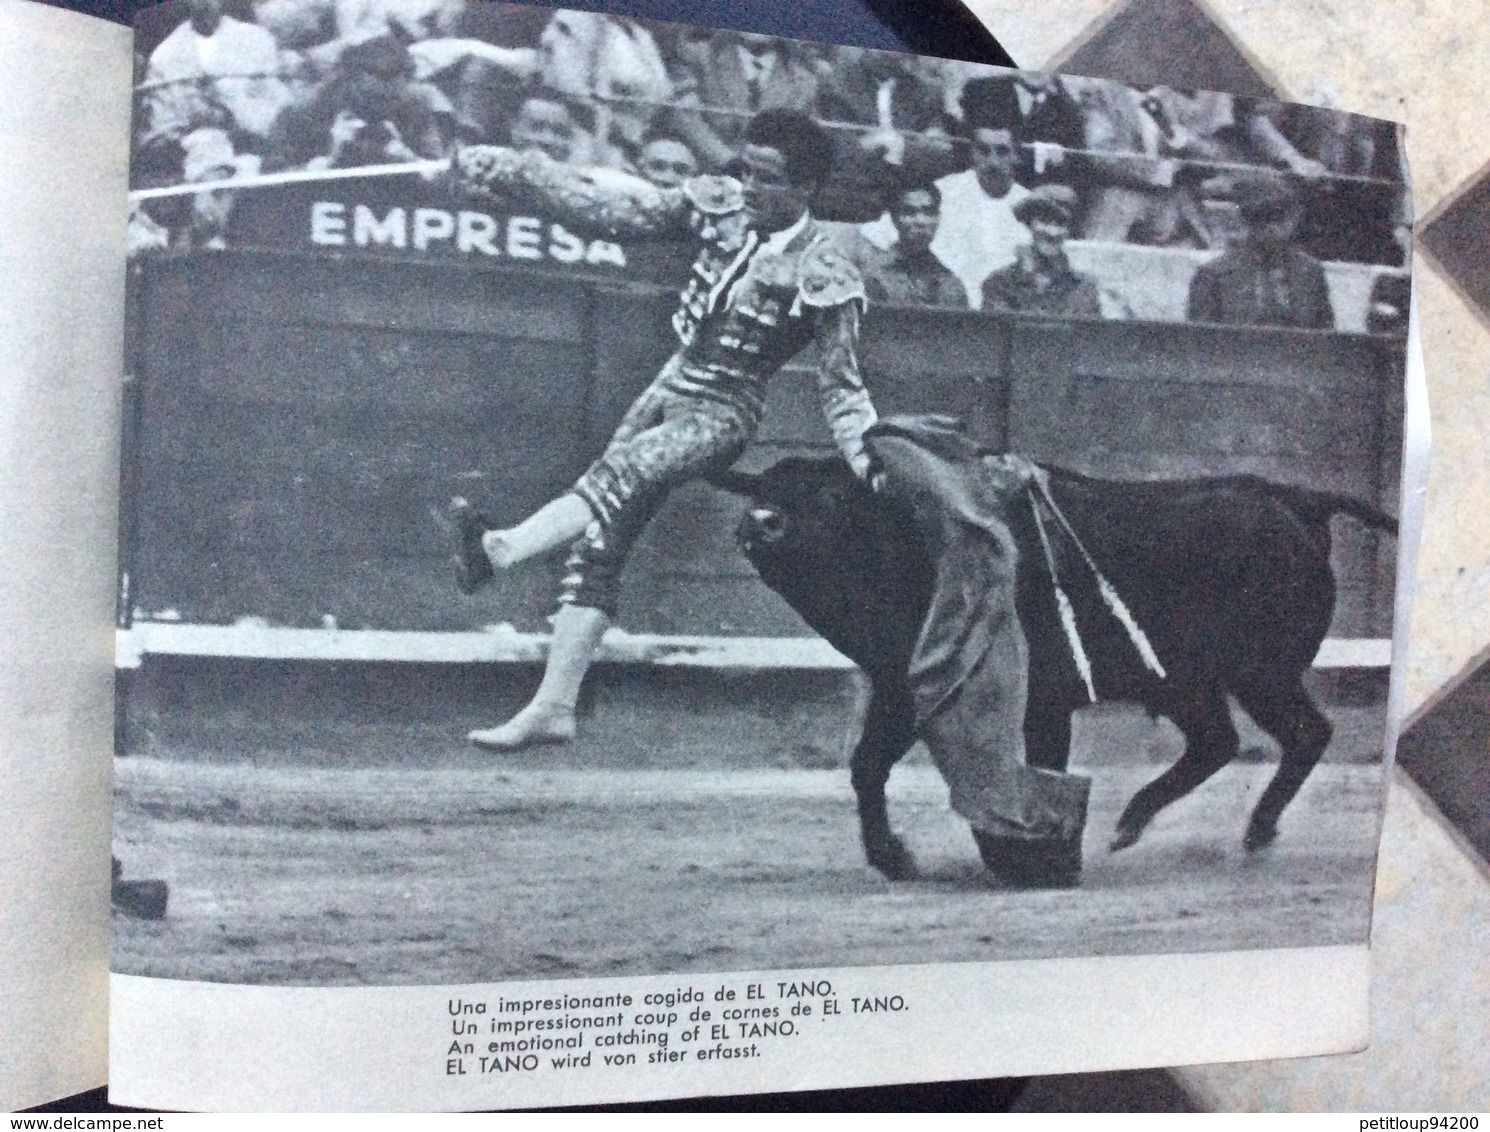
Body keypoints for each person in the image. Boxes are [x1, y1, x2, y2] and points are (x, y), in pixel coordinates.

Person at [446, 109, 880, 750]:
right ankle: (554, 706)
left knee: (622, 473)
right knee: (599, 542)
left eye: (767, 178)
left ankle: (503, 548)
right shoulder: (721, 208)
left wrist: (868, 456)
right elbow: (612, 213)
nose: (748, 187)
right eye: (746, 170)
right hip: (667, 387)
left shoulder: (826, 268)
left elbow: (842, 387)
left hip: (723, 410)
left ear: (805, 190)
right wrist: (513, 172)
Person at [140, 0, 292, 162]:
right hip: (197, 154)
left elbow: (277, 102)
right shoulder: (164, 56)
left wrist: (232, 110)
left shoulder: (257, 40)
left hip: (259, 148)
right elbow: (163, 124)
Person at [1185, 172, 1335, 330]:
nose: (1270, 228)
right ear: (1244, 220)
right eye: (1258, 218)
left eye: (1278, 218)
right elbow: (1200, 342)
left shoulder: (1310, 273)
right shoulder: (1213, 276)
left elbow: (1324, 339)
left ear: (1291, 220)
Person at [930, 79, 1032, 309]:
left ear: (1017, 153)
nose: (993, 162)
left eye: (1003, 151)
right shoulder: (944, 192)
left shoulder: (1030, 205)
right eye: (983, 150)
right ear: (971, 149)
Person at [981, 184, 1103, 318]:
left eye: (1061, 224)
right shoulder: (1001, 283)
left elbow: (1088, 336)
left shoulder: (1083, 288)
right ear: (1029, 224)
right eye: (1044, 221)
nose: (1052, 232)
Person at [862, 179, 966, 308]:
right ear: (894, 218)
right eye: (909, 212)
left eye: (928, 212)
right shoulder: (874, 275)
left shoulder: (951, 284)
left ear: (938, 218)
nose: (920, 221)